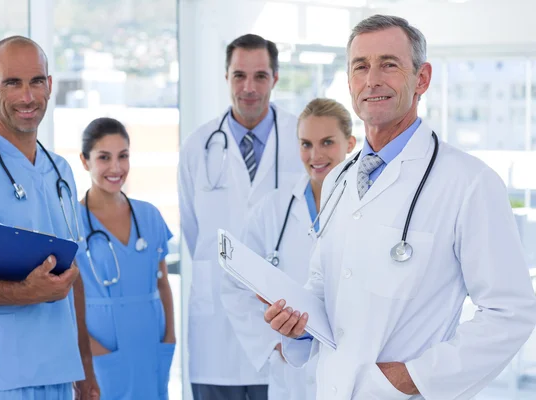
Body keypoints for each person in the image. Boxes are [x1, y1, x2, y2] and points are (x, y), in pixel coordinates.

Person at [262, 14, 536, 400]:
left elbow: (511, 313)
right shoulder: (340, 178)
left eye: (388, 64)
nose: (372, 79)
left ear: (421, 79)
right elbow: (325, 284)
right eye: (361, 66)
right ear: (350, 82)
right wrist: (300, 325)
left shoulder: (469, 182)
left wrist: (412, 378)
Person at [0, 36, 99, 399]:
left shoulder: (60, 173)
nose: (28, 97)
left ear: (50, 86)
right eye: (13, 83)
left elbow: (74, 277)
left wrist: (84, 369)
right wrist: (22, 293)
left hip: (57, 374)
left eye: (36, 81)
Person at [178, 33, 304, 400]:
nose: (249, 87)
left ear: (275, 78)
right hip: (214, 330)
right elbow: (193, 231)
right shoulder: (197, 147)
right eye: (239, 76)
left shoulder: (302, 140)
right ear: (226, 77)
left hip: (283, 328)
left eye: (260, 76)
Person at [221, 98, 356, 400]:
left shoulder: (367, 209)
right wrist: (274, 345)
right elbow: (235, 283)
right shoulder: (272, 209)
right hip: (291, 375)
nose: (315, 155)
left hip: (350, 368)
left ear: (350, 143)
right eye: (306, 144)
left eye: (327, 143)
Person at [74, 117, 176, 399]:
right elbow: (66, 298)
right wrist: (89, 351)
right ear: (85, 161)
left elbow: (163, 283)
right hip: (101, 349)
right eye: (104, 158)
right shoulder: (71, 221)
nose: (116, 168)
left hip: (151, 344)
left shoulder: (149, 215)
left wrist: (169, 336)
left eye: (123, 156)